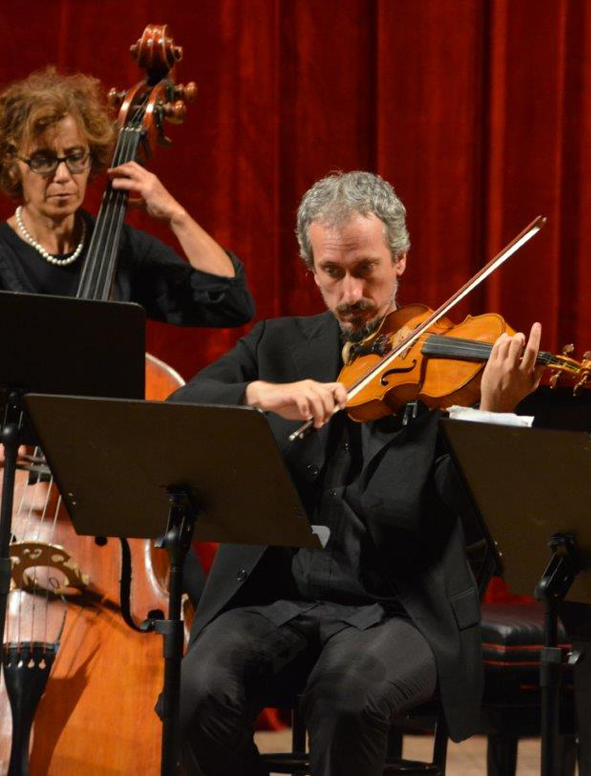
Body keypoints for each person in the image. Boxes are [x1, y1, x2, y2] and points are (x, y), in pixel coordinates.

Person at [172, 171, 544, 776]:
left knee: (346, 698)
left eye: (367, 269)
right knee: (194, 691)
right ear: (312, 270)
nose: (351, 293)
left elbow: (475, 519)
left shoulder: (447, 373)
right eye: (333, 272)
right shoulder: (277, 347)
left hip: (401, 608)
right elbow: (179, 407)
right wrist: (262, 394)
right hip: (278, 599)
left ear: (399, 260)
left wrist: (493, 416)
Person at [0, 66, 254, 323]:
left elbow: (231, 304)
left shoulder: (121, 247)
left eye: (75, 157)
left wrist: (177, 217)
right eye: (43, 160)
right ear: (11, 166)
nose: (63, 175)